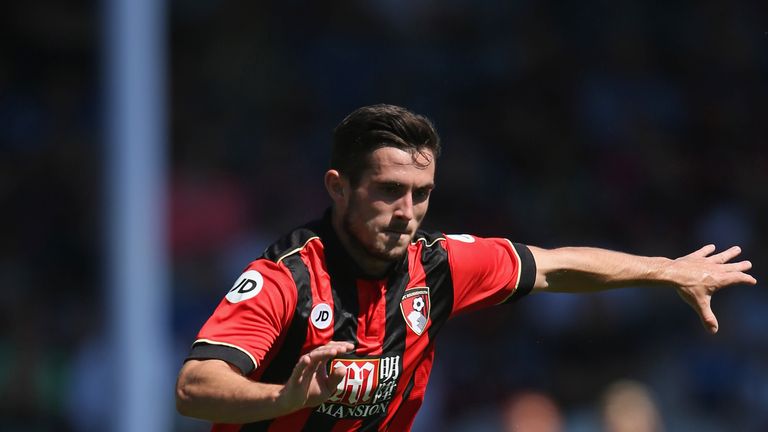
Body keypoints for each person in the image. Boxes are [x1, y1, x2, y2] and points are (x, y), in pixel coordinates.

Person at [175, 104, 756, 431]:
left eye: (421, 193)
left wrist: (669, 270)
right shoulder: (288, 276)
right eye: (388, 190)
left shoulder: (440, 263)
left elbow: (552, 266)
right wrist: (284, 397)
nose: (407, 212)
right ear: (339, 188)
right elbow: (194, 386)